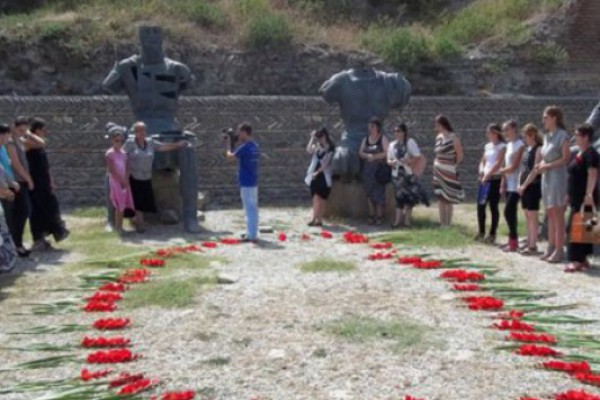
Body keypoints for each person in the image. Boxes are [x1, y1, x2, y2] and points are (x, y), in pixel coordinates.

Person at [123, 121, 189, 233]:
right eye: (138, 131)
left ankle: (139, 221)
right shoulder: (130, 143)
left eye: (143, 130)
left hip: (145, 176)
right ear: (135, 132)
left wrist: (178, 145)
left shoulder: (149, 142)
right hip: (133, 175)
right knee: (135, 200)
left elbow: (162, 147)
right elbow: (121, 156)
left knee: (142, 200)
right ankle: (138, 223)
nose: (141, 133)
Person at [26, 118, 69, 251]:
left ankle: (52, 232)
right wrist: (27, 132)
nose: (46, 132)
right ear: (37, 130)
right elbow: (41, 143)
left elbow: (46, 165)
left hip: (44, 180)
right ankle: (39, 238)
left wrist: (51, 180)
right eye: (43, 129)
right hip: (35, 181)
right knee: (38, 209)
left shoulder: (38, 144)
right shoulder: (27, 143)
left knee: (51, 205)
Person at [537, 106, 570, 263]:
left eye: (546, 117)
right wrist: (542, 164)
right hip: (547, 177)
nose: (543, 120)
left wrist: (548, 166)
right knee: (549, 213)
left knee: (558, 214)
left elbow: (565, 158)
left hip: (557, 176)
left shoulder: (563, 135)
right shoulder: (546, 136)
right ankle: (550, 247)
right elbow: (545, 156)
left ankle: (559, 249)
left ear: (554, 118)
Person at [565, 124, 599, 272]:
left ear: (585, 137)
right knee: (584, 228)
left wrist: (589, 194)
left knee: (576, 228)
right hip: (575, 196)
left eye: (578, 135)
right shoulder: (580, 152)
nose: (575, 137)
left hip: (585, 197)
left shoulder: (591, 153)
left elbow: (593, 174)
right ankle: (583, 259)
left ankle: (577, 260)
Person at [6, 117, 40, 257]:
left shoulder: (20, 140)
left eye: (25, 129)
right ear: (13, 126)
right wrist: (28, 179)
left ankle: (17, 243)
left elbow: (40, 143)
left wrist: (29, 134)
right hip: (16, 182)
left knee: (23, 213)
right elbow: (15, 163)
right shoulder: (10, 142)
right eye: (21, 129)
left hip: (21, 182)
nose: (23, 132)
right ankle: (16, 245)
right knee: (20, 213)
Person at [387, 123, 429, 228]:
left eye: (398, 131)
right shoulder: (392, 145)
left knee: (410, 198)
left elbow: (417, 156)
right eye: (395, 131)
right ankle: (397, 221)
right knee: (399, 197)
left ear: (403, 132)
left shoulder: (410, 142)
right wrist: (391, 162)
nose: (396, 133)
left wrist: (409, 161)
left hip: (408, 173)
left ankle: (407, 221)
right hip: (397, 174)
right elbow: (388, 159)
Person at [225, 123, 260, 242]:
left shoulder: (245, 147)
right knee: (252, 208)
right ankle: (251, 232)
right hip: (253, 180)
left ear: (245, 132)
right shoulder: (255, 146)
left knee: (249, 209)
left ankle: (252, 235)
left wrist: (229, 144)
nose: (238, 134)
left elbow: (230, 157)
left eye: (239, 132)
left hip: (246, 181)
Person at [475, 123, 506, 244]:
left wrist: (488, 175)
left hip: (495, 179)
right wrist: (481, 171)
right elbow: (483, 161)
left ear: (495, 133)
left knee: (493, 206)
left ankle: (492, 233)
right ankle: (481, 231)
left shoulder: (502, 146)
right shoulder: (487, 146)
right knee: (480, 206)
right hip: (484, 179)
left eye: (489, 132)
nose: (487, 135)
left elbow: (498, 163)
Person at [433, 115, 464, 226]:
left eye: (437, 124)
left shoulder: (453, 138)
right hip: (438, 171)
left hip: (449, 171)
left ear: (442, 124)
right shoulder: (438, 137)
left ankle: (448, 223)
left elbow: (460, 155)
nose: (435, 126)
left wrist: (453, 166)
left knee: (448, 197)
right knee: (440, 197)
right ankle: (442, 223)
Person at [517, 124, 543, 255]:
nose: (524, 138)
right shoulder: (526, 149)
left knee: (533, 215)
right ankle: (529, 241)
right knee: (527, 215)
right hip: (524, 186)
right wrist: (519, 184)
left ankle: (533, 245)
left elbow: (535, 170)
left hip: (533, 186)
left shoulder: (539, 149)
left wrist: (525, 185)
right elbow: (522, 169)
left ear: (532, 135)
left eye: (526, 136)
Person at [499, 120, 525, 251]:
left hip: (517, 183)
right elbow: (505, 165)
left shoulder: (520, 145)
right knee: (512, 213)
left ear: (515, 129)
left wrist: (499, 171)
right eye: (504, 130)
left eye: (507, 129)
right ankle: (512, 241)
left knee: (508, 211)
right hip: (509, 183)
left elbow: (514, 166)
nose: (505, 132)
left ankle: (513, 240)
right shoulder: (508, 145)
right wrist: (502, 182)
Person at [358, 117, 390, 225]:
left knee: (379, 193)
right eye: (369, 126)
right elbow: (360, 152)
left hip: (378, 171)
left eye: (372, 126)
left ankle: (379, 216)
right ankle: (371, 214)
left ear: (377, 127)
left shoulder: (382, 138)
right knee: (369, 193)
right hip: (368, 171)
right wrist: (366, 155)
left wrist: (375, 157)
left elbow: (387, 152)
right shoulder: (365, 139)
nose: (369, 128)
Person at [105, 123, 135, 234]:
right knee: (119, 204)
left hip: (124, 181)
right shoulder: (109, 154)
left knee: (125, 203)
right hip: (116, 181)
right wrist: (121, 180)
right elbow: (112, 170)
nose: (119, 143)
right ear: (113, 141)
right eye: (116, 141)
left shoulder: (124, 153)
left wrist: (126, 179)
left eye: (121, 141)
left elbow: (127, 167)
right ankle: (118, 226)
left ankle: (122, 225)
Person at [305, 127, 334, 227]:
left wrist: (318, 172)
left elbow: (326, 163)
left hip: (324, 176)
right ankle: (314, 218)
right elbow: (309, 150)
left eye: (321, 136)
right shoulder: (317, 146)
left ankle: (319, 219)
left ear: (325, 136)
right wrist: (312, 138)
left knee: (322, 198)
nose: (320, 139)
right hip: (314, 175)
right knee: (315, 197)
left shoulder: (330, 148)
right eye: (318, 137)